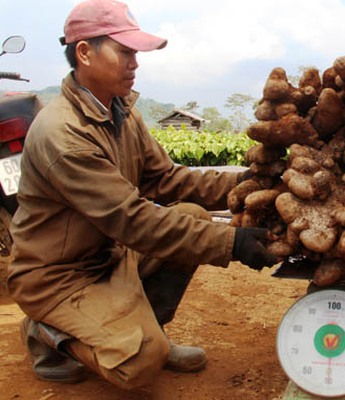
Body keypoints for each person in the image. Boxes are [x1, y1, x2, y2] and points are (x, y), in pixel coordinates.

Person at [7, 0, 278, 390]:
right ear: (84, 52)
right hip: (58, 277)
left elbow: (168, 179)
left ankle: (146, 332)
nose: (135, 62)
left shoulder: (122, 112)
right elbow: (132, 219)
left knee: (193, 217)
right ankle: (49, 332)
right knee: (137, 365)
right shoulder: (62, 133)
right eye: (125, 51)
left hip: (108, 256)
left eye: (135, 53)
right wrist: (233, 243)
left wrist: (257, 183)